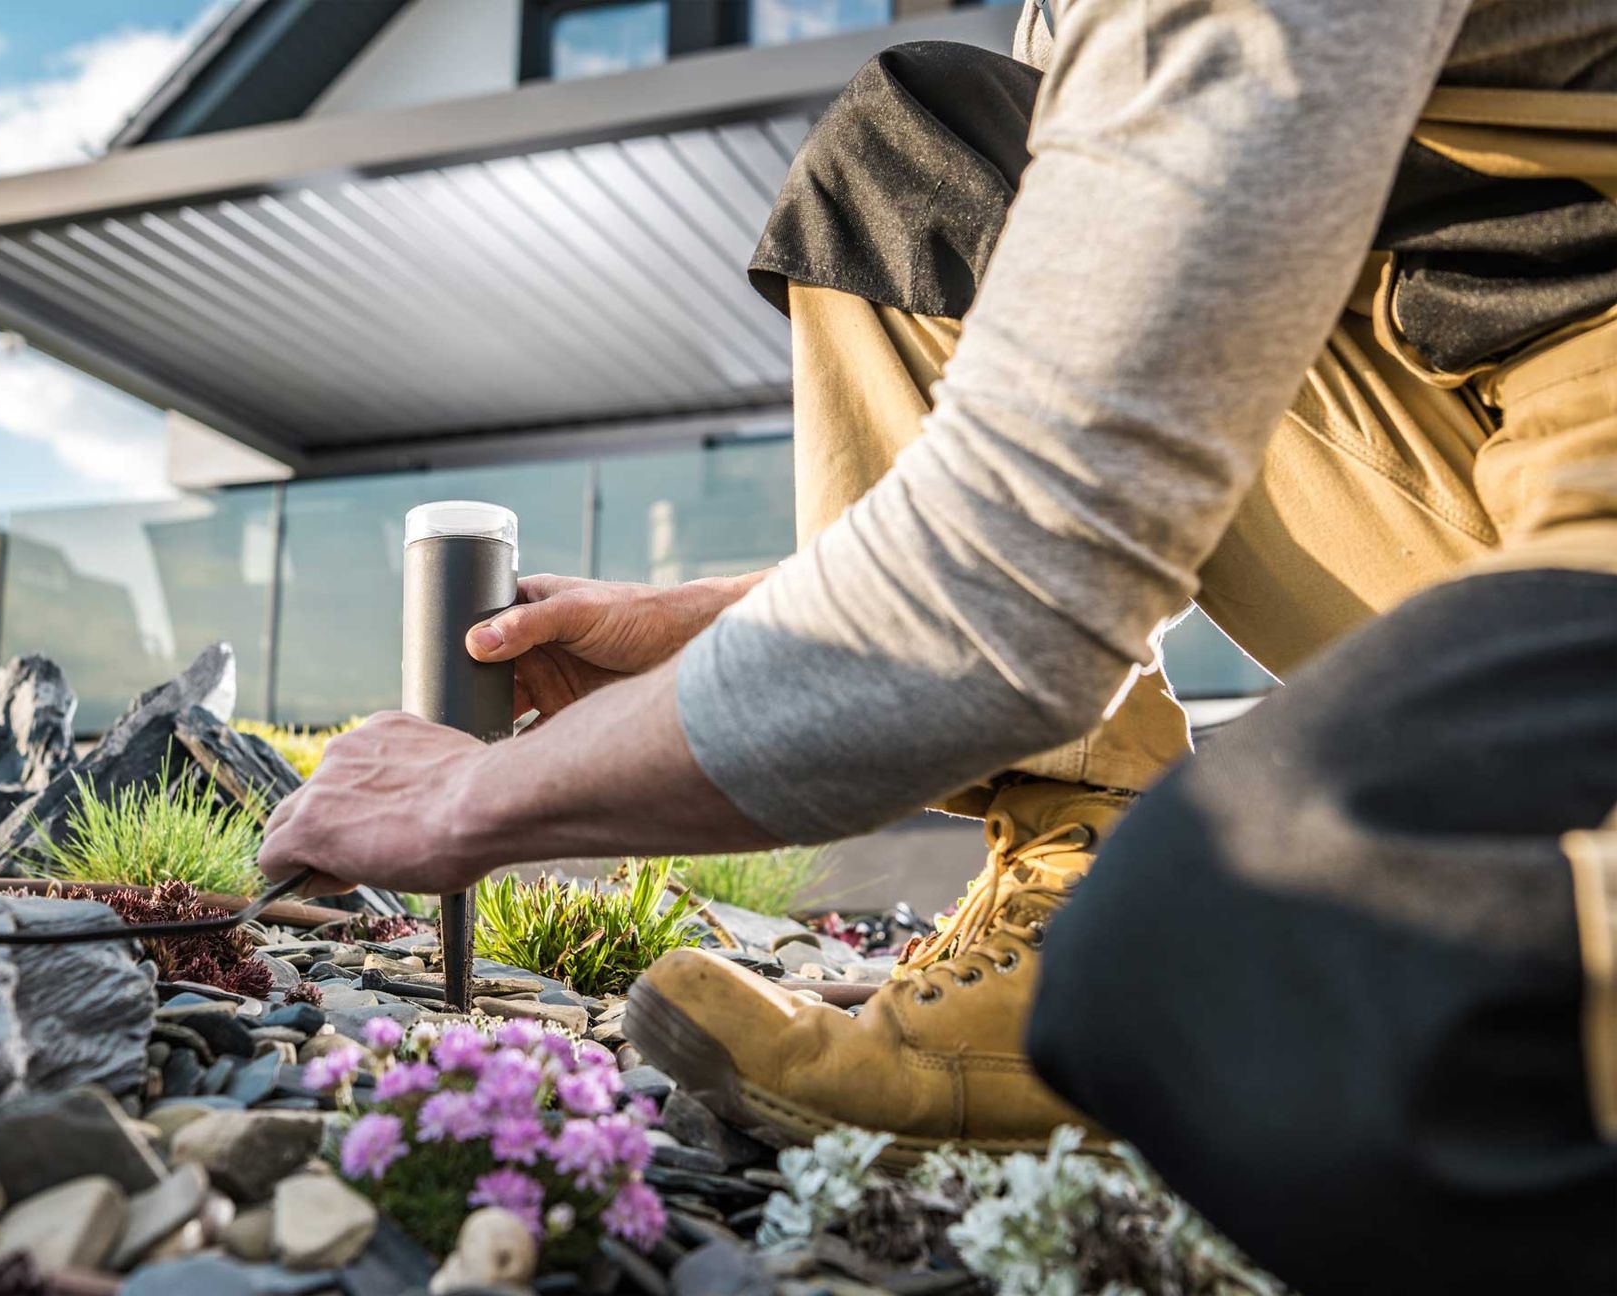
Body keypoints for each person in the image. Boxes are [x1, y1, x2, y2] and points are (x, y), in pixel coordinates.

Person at [260, 1, 1617, 1284]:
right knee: (919, 163)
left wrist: (467, 799)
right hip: (1475, 402)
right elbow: (1087, 436)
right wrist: (724, 624)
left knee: (1243, 970)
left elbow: (1009, 590)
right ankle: (1062, 889)